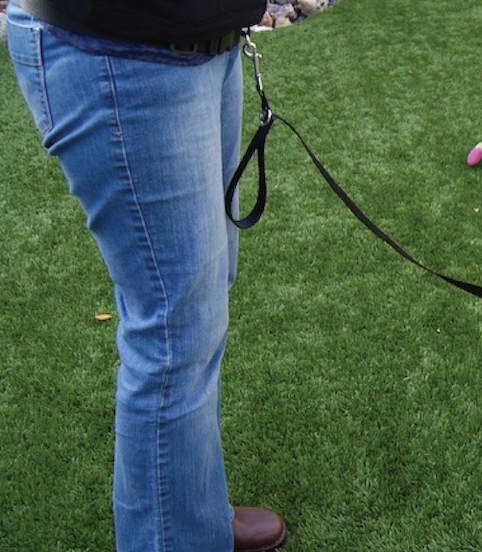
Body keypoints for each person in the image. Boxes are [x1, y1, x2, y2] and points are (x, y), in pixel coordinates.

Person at [6, 1, 286, 551]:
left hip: (206, 41)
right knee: (173, 328)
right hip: (120, 53)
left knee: (200, 304)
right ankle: (175, 536)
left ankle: (190, 515)